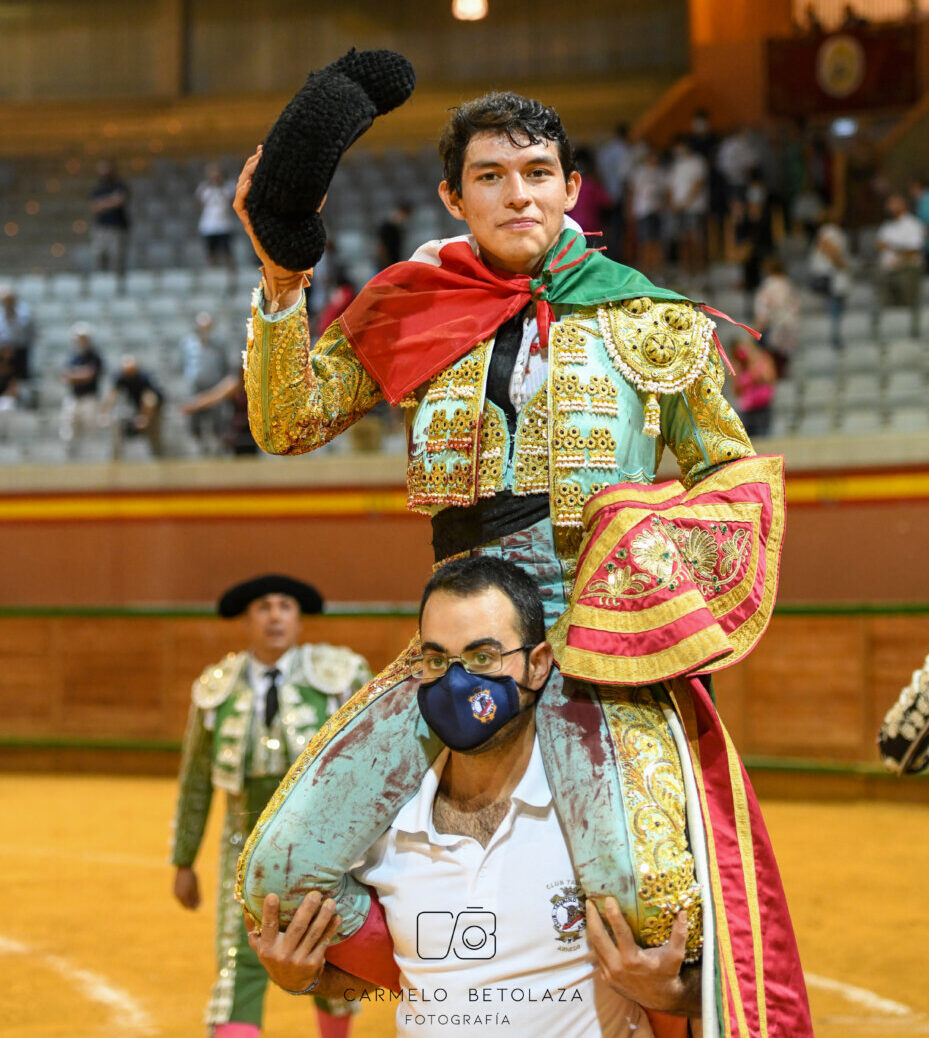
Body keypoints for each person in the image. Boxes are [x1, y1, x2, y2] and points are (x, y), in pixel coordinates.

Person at [234, 90, 813, 1037]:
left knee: (651, 901)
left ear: (573, 188)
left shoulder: (649, 318)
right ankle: (440, 986)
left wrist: (647, 561)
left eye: (538, 174)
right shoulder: (412, 302)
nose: (519, 195)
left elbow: (729, 477)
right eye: (491, 177)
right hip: (459, 640)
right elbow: (286, 421)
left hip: (596, 637)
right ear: (452, 198)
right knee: (279, 875)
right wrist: (281, 279)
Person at [246, 557, 701, 1036]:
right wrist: (302, 978)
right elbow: (396, 982)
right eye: (437, 660)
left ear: (539, 663)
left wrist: (670, 996)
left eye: (483, 656)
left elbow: (730, 982)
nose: (457, 682)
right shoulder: (384, 828)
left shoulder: (600, 822)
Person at [171, 574, 371, 1038]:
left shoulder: (339, 676)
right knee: (240, 957)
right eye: (263, 607)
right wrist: (184, 861)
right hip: (242, 844)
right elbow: (196, 780)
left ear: (299, 619)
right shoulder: (215, 688)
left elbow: (367, 765)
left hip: (325, 845)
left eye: (285, 605)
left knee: (330, 950)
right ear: (247, 620)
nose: (275, 615)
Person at [872, 191, 925, 340]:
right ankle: (890, 334)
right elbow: (878, 246)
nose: (889, 207)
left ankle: (911, 335)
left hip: (907, 270)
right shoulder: (886, 226)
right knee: (887, 306)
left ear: (903, 205)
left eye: (893, 203)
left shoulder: (913, 224)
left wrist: (891, 247)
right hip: (887, 271)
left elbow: (914, 250)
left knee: (906, 305)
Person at [180, 312, 232, 453]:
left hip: (214, 387)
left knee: (217, 419)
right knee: (194, 420)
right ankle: (198, 447)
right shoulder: (187, 343)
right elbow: (183, 363)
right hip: (195, 387)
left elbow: (225, 365)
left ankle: (218, 448)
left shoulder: (219, 344)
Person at [101, 354, 165, 459]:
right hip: (138, 408)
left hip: (154, 410)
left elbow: (150, 399)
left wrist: (144, 417)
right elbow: (112, 395)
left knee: (154, 438)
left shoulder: (144, 377)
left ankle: (159, 461)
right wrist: (104, 413)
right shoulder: (121, 376)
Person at [667, 135, 709, 286]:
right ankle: (686, 273)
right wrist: (673, 203)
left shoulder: (697, 162)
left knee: (696, 242)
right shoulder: (676, 165)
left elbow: (698, 184)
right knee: (683, 242)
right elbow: (670, 187)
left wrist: (686, 202)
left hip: (694, 208)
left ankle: (700, 273)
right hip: (679, 210)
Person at [59, 322, 105, 458]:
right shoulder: (73, 357)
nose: (82, 341)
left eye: (84, 338)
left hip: (89, 399)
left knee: (90, 432)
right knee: (68, 432)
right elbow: (64, 376)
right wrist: (80, 374)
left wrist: (75, 375)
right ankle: (70, 462)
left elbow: (89, 376)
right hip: (73, 398)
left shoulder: (95, 357)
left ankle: (91, 462)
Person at [754, 253, 800, 376]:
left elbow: (763, 312)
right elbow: (796, 306)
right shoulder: (788, 285)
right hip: (790, 326)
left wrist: (755, 332)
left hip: (775, 328)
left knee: (773, 363)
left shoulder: (767, 286)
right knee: (784, 363)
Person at [809, 218, 852, 349]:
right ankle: (832, 343)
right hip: (826, 282)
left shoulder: (836, 232)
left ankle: (835, 342)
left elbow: (838, 259)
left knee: (837, 316)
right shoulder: (828, 232)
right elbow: (831, 253)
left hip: (836, 284)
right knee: (828, 316)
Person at [196, 164, 238, 284]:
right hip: (209, 226)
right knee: (211, 252)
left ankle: (231, 277)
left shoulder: (228, 187)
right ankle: (212, 277)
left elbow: (233, 203)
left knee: (227, 252)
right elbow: (199, 205)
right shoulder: (204, 188)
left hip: (224, 225)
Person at [89, 159, 130, 277]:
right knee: (98, 256)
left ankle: (116, 284)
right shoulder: (98, 187)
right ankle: (102, 284)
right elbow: (94, 207)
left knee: (116, 258)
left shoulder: (120, 184)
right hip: (101, 228)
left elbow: (119, 201)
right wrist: (111, 200)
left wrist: (103, 203)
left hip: (116, 228)